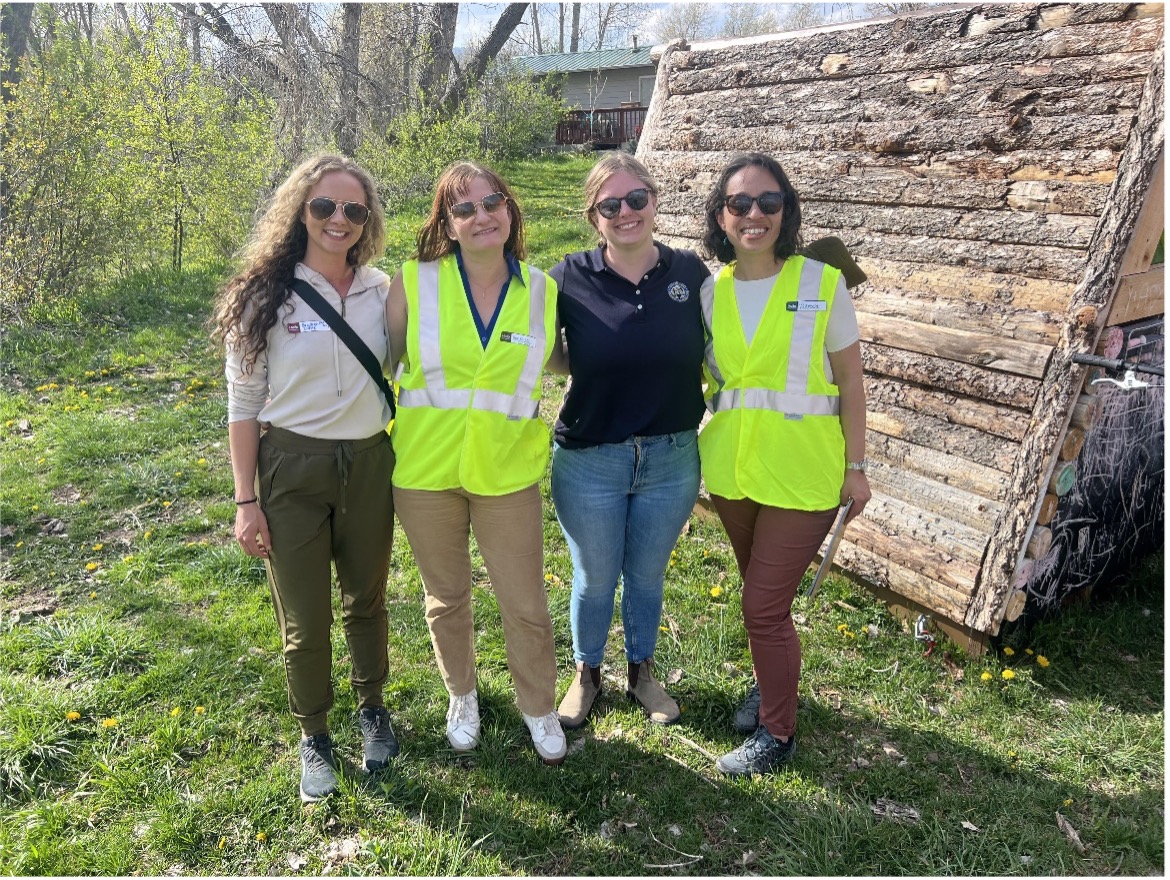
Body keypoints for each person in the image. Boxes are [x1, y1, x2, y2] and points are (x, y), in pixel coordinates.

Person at [214, 154, 399, 803]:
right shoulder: (262, 295)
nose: (338, 220)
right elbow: (243, 405)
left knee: (366, 599)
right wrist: (246, 501)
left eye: (353, 209)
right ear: (300, 211)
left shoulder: (385, 291)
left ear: (368, 218)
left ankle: (373, 708)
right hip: (291, 468)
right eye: (324, 207)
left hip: (372, 463)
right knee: (306, 615)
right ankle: (315, 733)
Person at [385, 161, 566, 765]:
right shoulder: (412, 283)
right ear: (447, 223)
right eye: (464, 209)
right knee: (446, 598)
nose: (481, 216)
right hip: (424, 471)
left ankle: (538, 706)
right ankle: (462, 695)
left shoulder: (543, 289)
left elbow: (565, 361)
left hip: (507, 473)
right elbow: (384, 365)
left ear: (510, 210)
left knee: (525, 602)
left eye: (492, 203)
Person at [699, 152, 871, 776]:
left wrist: (857, 466)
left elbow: (851, 383)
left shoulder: (821, 283)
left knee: (762, 607)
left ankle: (778, 733)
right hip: (734, 473)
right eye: (740, 204)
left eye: (769, 204)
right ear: (721, 216)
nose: (754, 216)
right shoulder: (707, 292)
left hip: (805, 474)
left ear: (786, 212)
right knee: (761, 601)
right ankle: (774, 686)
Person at [548, 153, 710, 730]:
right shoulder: (569, 276)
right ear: (594, 216)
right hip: (590, 456)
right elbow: (546, 353)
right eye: (610, 205)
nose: (626, 213)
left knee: (645, 574)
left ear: (655, 200)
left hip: (670, 457)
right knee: (594, 576)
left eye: (636, 199)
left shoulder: (691, 274)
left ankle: (641, 671)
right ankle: (587, 674)